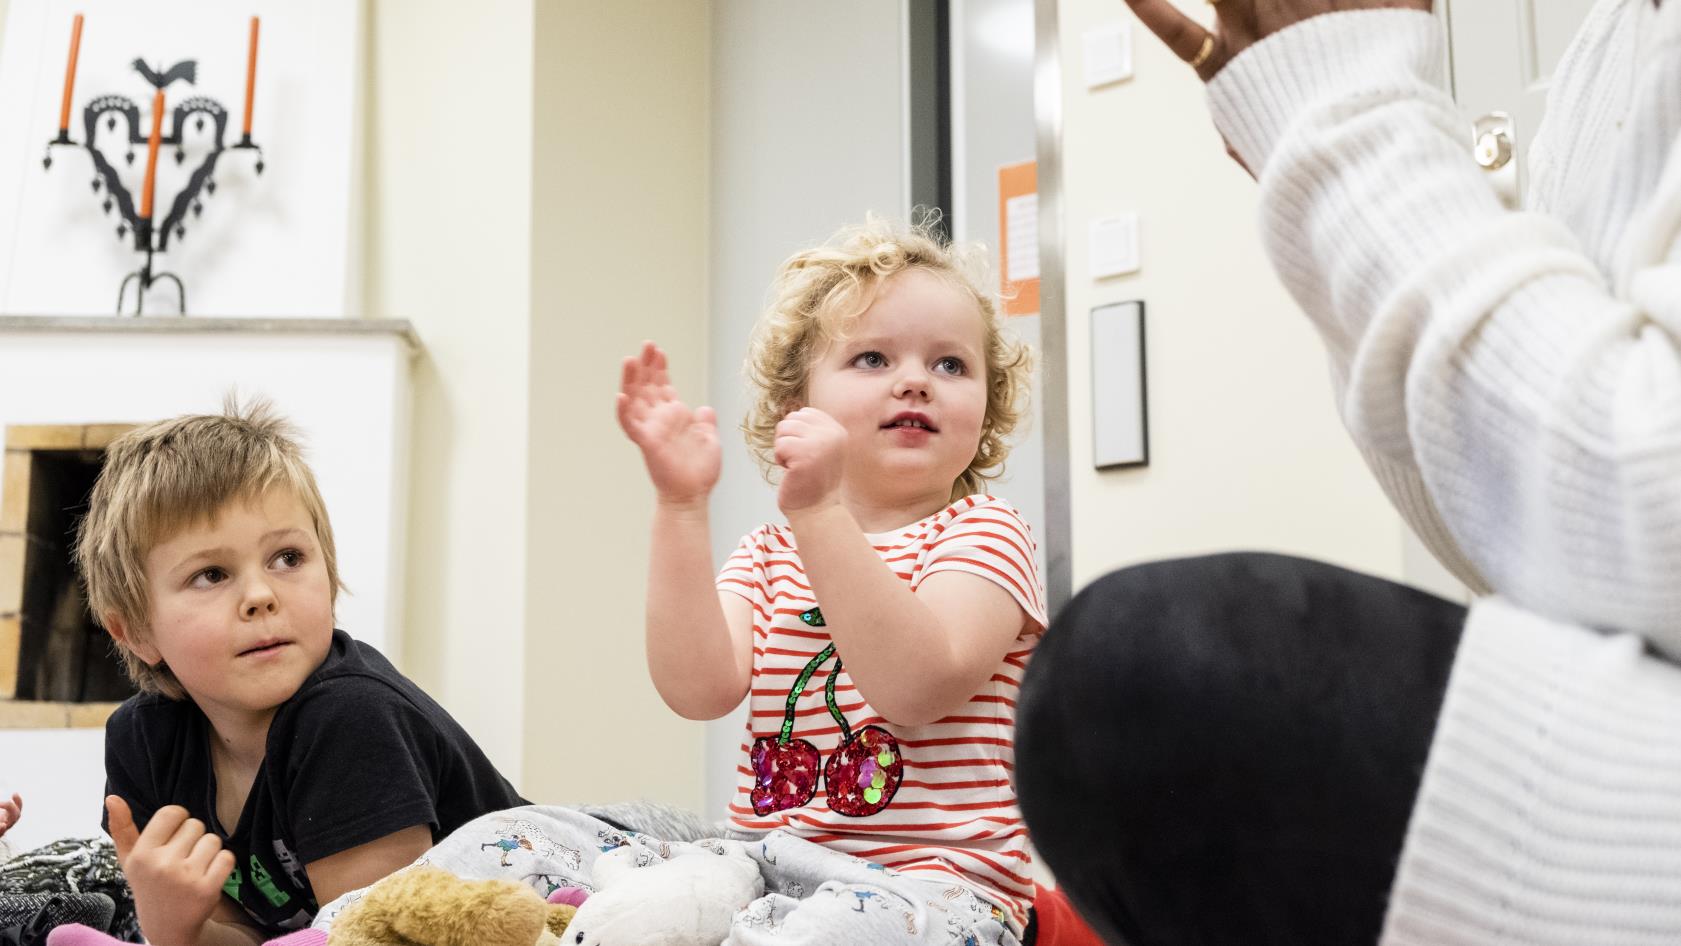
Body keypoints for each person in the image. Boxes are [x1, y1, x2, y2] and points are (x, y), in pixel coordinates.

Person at [1016, 0, 1681, 944]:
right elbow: (1513, 547)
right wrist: (1326, 186)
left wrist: (1346, 112)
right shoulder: (1607, 46)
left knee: (1139, 683)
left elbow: (1656, 526)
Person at [619, 216, 1047, 944]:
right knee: (551, 843)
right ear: (797, 406)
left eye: (950, 365)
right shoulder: (767, 553)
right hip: (767, 864)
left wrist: (818, 510)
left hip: (940, 889)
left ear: (986, 408)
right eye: (873, 358)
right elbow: (697, 690)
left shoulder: (986, 532)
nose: (915, 379)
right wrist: (682, 506)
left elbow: (914, 686)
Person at [78, 403, 526, 944]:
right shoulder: (144, 742)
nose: (261, 596)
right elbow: (246, 936)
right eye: (211, 574)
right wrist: (179, 926)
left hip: (569, 887)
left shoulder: (347, 717)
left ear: (329, 575)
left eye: (287, 558)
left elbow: (373, 936)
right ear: (135, 633)